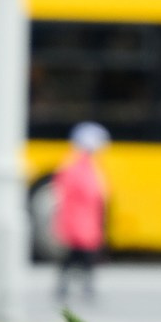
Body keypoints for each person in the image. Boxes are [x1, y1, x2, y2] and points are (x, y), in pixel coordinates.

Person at [51, 122, 109, 309]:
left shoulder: (79, 165)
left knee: (75, 257)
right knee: (81, 257)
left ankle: (69, 287)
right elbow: (93, 194)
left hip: (83, 222)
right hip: (81, 223)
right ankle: (80, 287)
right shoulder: (79, 167)